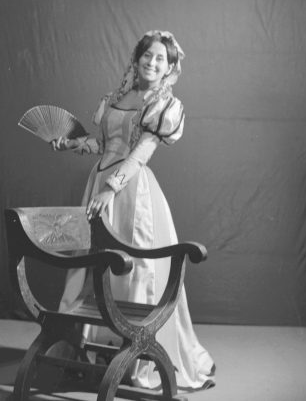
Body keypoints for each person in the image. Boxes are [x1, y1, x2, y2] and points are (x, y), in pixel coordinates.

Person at [51, 30, 215, 391]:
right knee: (92, 262)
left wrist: (111, 188)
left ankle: (136, 359)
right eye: (148, 55)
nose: (152, 63)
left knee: (134, 269)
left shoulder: (163, 104)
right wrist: (73, 143)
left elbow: (140, 152)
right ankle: (90, 351)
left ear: (170, 67)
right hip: (99, 186)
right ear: (136, 58)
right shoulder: (117, 98)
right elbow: (105, 144)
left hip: (132, 192)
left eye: (161, 59)